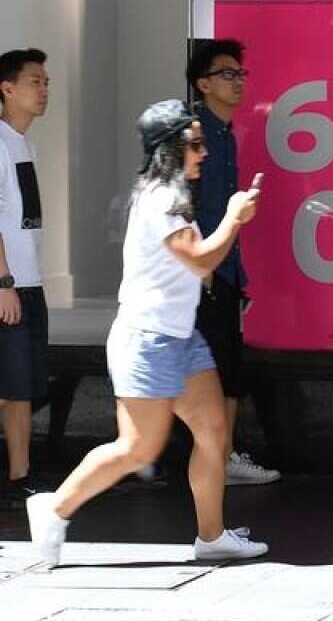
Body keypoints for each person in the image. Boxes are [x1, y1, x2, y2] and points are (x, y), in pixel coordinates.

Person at [26, 100, 269, 566]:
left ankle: (212, 535)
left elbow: (195, 269)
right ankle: (54, 508)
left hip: (179, 336)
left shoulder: (174, 199)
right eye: (194, 143)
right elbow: (199, 261)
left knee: (214, 430)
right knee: (138, 447)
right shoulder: (160, 199)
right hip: (149, 339)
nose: (203, 152)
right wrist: (234, 220)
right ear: (170, 148)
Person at [185, 39, 280, 486]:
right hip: (201, 271)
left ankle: (220, 456)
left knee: (226, 367)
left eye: (241, 74)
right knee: (211, 368)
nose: (238, 82)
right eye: (227, 74)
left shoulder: (224, 134)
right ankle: (199, 456)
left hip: (223, 269)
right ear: (202, 84)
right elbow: (184, 207)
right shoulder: (194, 134)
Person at [0, 49, 49, 509]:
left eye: (46, 82)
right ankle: (19, 475)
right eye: (35, 81)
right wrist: (4, 283)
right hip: (9, 285)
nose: (44, 90)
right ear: (7, 88)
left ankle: (21, 473)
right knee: (13, 385)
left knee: (22, 384)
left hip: (29, 281)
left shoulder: (22, 142)